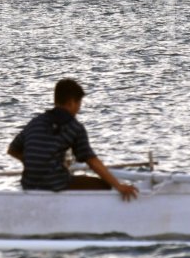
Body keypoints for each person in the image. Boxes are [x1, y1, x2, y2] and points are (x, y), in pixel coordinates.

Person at [7, 79, 138, 200]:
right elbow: (92, 161)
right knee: (104, 186)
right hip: (55, 184)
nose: (78, 109)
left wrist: (34, 163)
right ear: (71, 102)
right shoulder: (74, 126)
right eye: (79, 104)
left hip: (29, 184)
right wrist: (118, 186)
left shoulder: (36, 122)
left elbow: (12, 150)